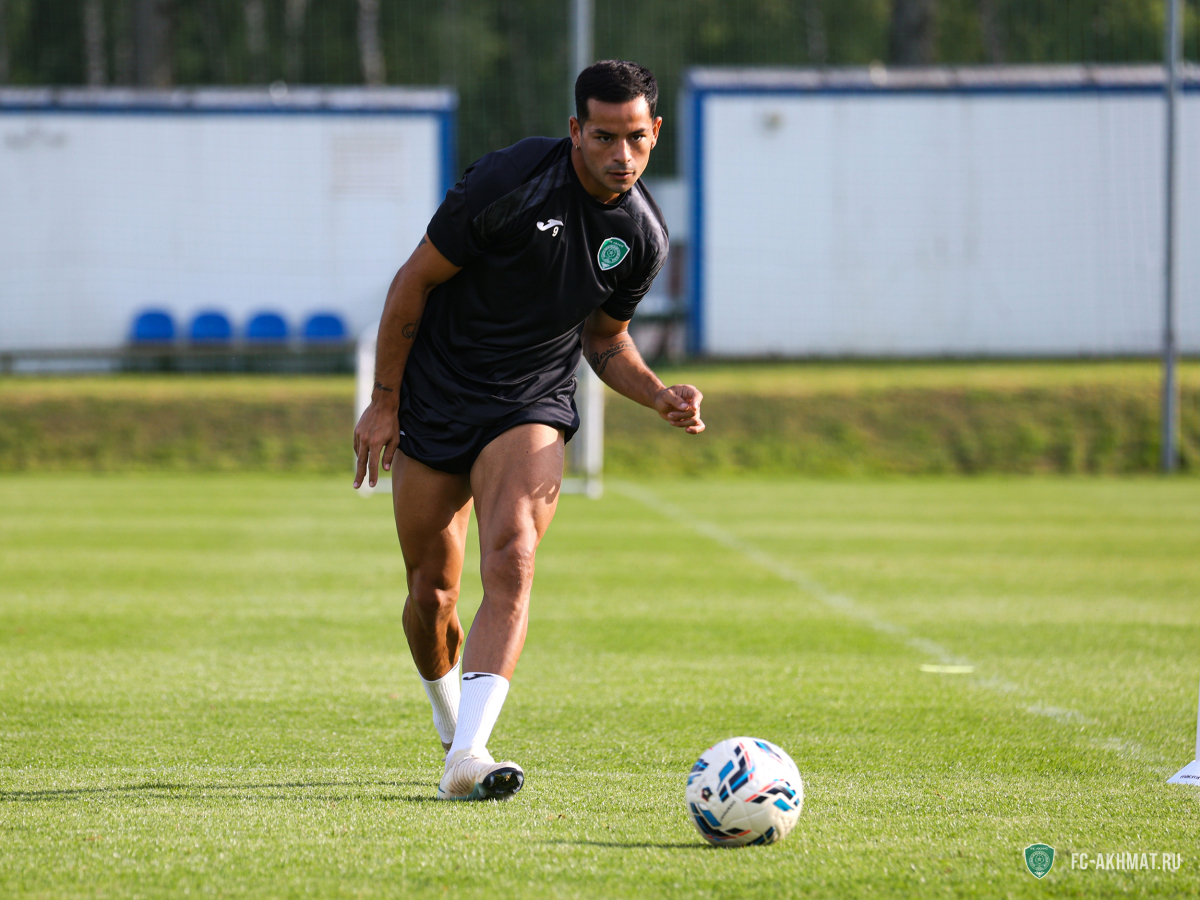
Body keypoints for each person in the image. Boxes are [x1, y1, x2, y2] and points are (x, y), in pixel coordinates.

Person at [353, 59, 704, 801]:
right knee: (431, 597)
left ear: (655, 131)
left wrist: (656, 394)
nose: (622, 155)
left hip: (530, 401)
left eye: (636, 138)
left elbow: (605, 339)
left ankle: (470, 755)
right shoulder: (509, 180)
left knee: (513, 554)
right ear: (575, 129)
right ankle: (453, 728)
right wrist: (384, 401)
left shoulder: (642, 236)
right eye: (603, 137)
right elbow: (414, 281)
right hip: (438, 392)